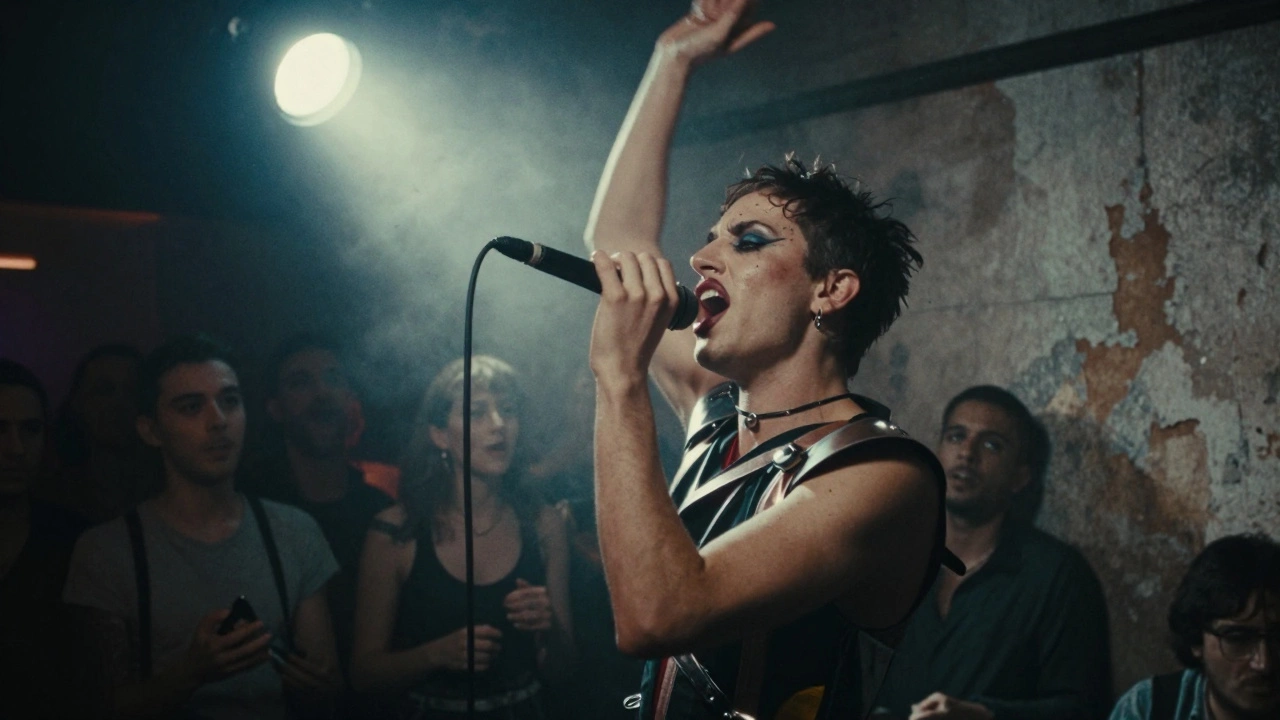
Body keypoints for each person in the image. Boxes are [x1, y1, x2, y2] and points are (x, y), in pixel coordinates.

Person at [582, 1, 951, 718]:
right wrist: (672, 61)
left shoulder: (882, 476)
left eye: (747, 241)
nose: (699, 258)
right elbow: (619, 249)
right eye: (710, 238)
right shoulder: (715, 411)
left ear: (832, 288)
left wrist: (621, 380)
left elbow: (658, 617)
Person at [62, 334, 342, 720]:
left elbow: (325, 687)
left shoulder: (294, 532)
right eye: (191, 407)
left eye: (229, 401)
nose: (218, 421)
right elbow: (98, 708)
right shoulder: (108, 551)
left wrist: (321, 686)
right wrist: (191, 673)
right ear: (150, 430)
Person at [351, 356, 573, 720]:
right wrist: (435, 654)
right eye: (477, 413)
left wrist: (549, 630)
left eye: (508, 410)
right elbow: (363, 675)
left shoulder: (543, 525)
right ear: (439, 434)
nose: (499, 425)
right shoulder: (395, 532)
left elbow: (564, 672)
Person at [873, 385, 1111, 720]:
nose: (967, 453)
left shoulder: (1055, 576)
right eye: (957, 436)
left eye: (991, 445)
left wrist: (984, 716)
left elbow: (1083, 710)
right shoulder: (892, 557)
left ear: (1020, 476)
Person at [242, 333, 394, 683]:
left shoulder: (381, 514)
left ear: (350, 399)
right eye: (301, 383)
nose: (322, 394)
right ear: (275, 408)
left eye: (333, 379)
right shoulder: (250, 511)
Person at [1110, 534, 1280, 720]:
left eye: (1277, 637)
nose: (1264, 664)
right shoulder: (1149, 708)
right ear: (1197, 641)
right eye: (1237, 639)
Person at [44, 343, 158, 524]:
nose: (119, 404)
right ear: (77, 403)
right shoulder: (51, 497)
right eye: (104, 390)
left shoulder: (170, 490)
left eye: (131, 391)